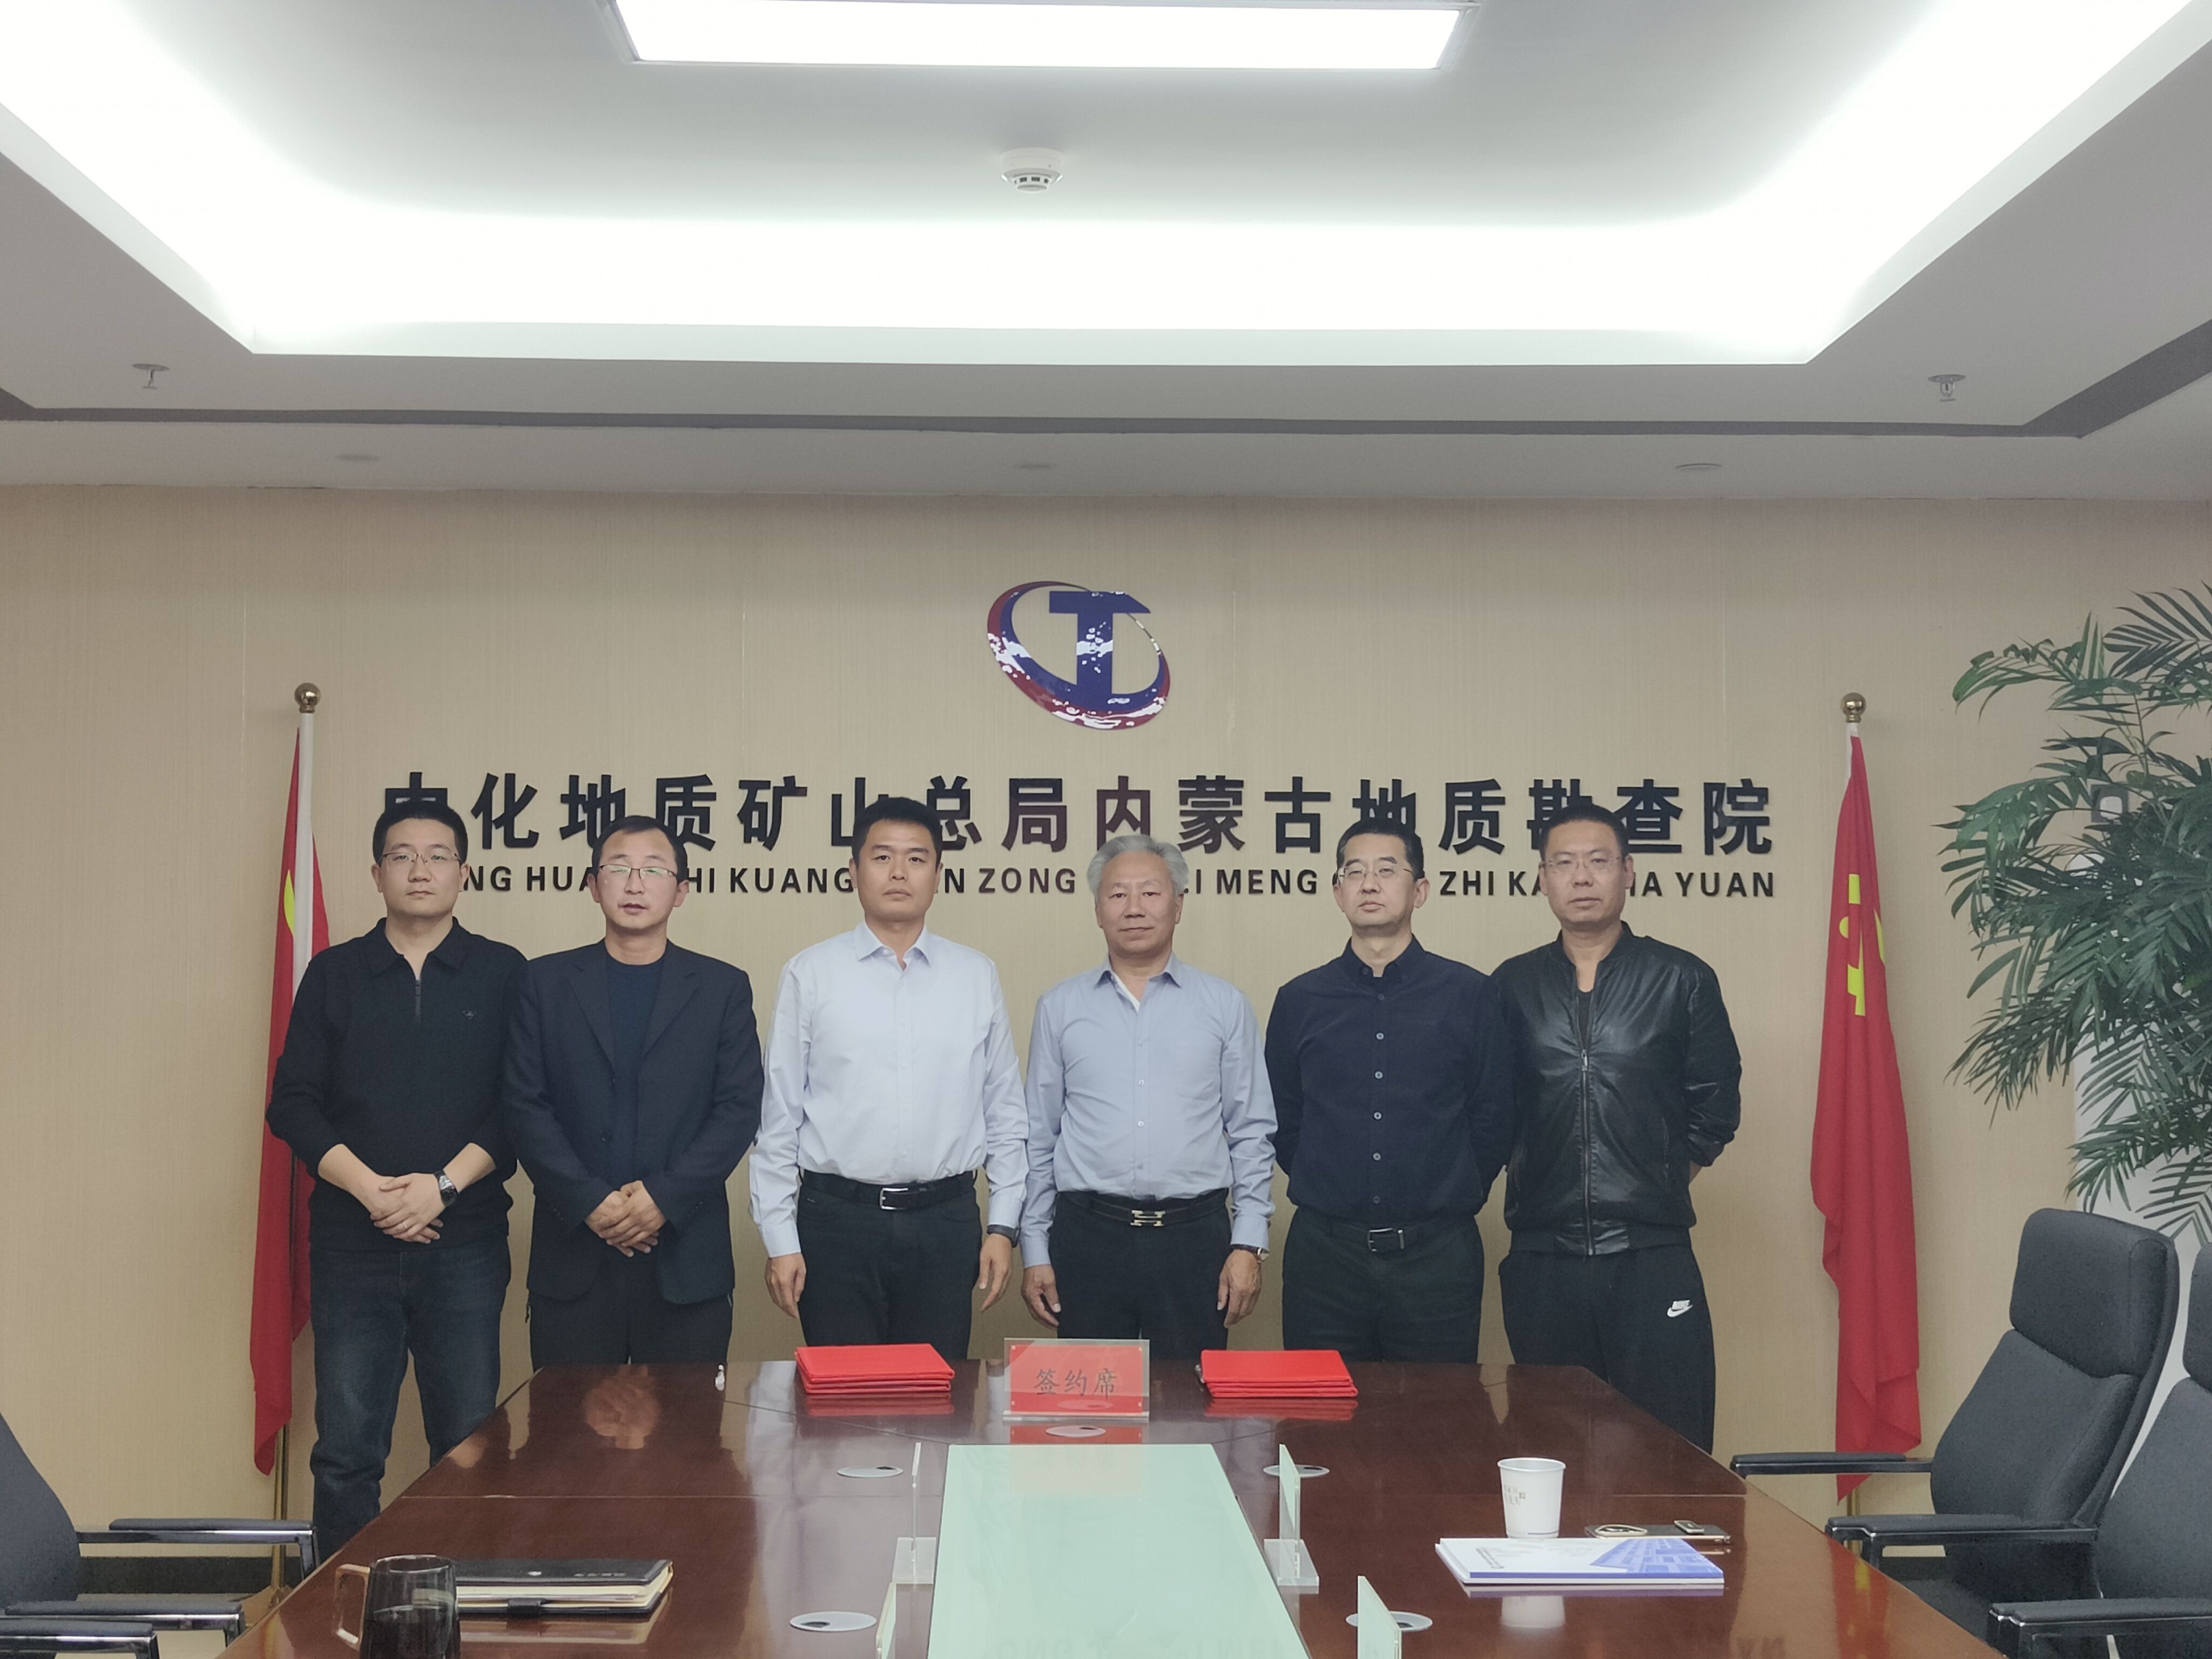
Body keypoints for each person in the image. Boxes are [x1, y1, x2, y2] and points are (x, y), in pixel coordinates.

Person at [267, 801, 526, 1557]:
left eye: (438, 855)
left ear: (464, 873)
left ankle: (464, 1600)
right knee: (347, 1450)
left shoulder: (504, 972)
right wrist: (372, 1191)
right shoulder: (335, 974)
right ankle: (341, 1606)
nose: (420, 870)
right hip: (353, 1245)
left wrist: (440, 1187)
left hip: (465, 1242)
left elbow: (523, 1105)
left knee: (468, 1441)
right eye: (402, 856)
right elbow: (292, 1102)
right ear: (376, 873)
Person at [1492, 801, 1742, 1450]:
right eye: (1564, 863)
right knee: (1550, 1448)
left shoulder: (1680, 978)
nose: (1581, 877)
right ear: (1541, 878)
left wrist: (1655, 1177)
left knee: (1669, 1448)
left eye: (1598, 861)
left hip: (1650, 1256)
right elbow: (1491, 1108)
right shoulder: (1511, 986)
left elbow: (1715, 1106)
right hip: (1542, 1258)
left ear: (1628, 872)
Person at [750, 797, 1026, 1364]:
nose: (899, 872)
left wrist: (1003, 1227)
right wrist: (779, 1238)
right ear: (853, 871)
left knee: (936, 1397)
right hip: (836, 1225)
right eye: (882, 857)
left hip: (945, 1224)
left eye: (916, 859)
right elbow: (779, 1116)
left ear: (938, 875)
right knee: (842, 1401)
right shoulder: (811, 973)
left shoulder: (975, 975)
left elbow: (1004, 1110)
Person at [505, 814, 763, 1366]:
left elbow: (738, 1109)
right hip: (574, 1254)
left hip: (685, 1259)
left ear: (682, 890)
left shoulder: (722, 988)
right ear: (593, 886)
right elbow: (524, 1104)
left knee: (687, 1423)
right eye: (619, 868)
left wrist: (663, 1199)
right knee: (566, 1422)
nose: (635, 883)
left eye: (654, 870)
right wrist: (589, 1201)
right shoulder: (544, 983)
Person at [1264, 818, 1516, 1362]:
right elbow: (1283, 1116)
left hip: (1437, 1257)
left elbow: (1494, 1113)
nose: (1369, 884)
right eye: (1354, 872)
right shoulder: (1300, 1000)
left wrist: (1455, 1189)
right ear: (1337, 893)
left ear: (1419, 890)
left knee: (1435, 1410)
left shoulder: (1470, 995)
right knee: (1321, 1410)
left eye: (1386, 870)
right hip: (1325, 1257)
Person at [1020, 834, 1277, 1358]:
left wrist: (1248, 1242)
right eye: (1117, 894)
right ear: (1097, 910)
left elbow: (1251, 1130)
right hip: (1088, 1237)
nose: (1134, 908)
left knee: (1189, 1401)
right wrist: (1035, 1248)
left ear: (1178, 905)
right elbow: (1039, 1136)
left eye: (1150, 893)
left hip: (1194, 1240)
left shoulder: (1224, 1006)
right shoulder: (1060, 1007)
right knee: (1089, 1399)